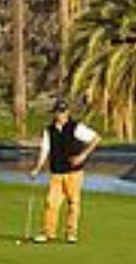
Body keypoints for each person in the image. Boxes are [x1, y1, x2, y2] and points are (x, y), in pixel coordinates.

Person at [30, 99, 100, 244]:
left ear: (67, 112)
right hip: (56, 172)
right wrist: (37, 168)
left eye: (61, 112)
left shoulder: (77, 127)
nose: (59, 115)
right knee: (51, 203)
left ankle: (71, 233)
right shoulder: (49, 130)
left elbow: (96, 139)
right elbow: (45, 150)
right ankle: (48, 233)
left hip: (74, 172)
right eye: (56, 112)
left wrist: (83, 155)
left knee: (73, 202)